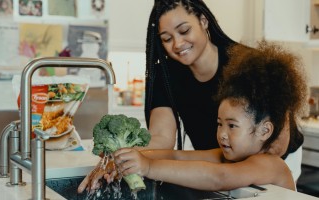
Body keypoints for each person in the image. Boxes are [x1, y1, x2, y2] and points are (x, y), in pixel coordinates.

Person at [78, 0, 304, 193]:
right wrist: (124, 158)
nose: (177, 44)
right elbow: (170, 148)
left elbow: (223, 175)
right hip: (232, 154)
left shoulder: (248, 67)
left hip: (267, 155)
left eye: (184, 31)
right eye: (166, 39)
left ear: (203, 21)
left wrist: (147, 166)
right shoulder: (167, 75)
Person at [113, 41, 308, 193]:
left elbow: (219, 178)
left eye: (232, 126)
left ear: (264, 130)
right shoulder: (230, 157)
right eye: (219, 124)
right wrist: (131, 156)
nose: (222, 134)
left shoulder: (269, 164)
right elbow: (177, 156)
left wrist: (147, 167)